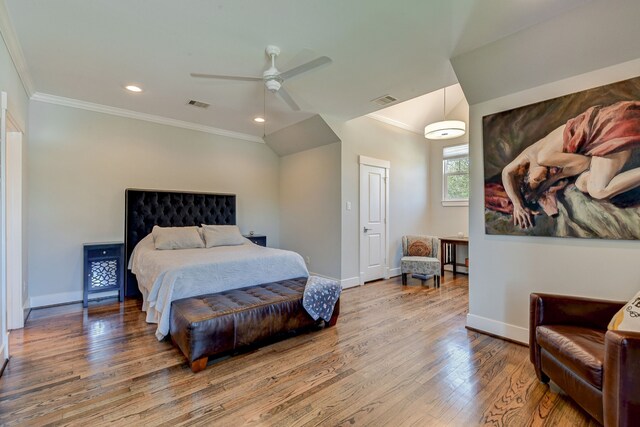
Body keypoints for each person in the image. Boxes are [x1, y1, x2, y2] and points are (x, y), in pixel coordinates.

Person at [501, 100, 640, 229]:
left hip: (607, 129)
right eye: (543, 182)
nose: (544, 178)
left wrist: (518, 204)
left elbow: (586, 162)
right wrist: (523, 200)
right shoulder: (529, 155)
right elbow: (507, 172)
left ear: (526, 172)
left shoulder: (542, 158)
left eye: (536, 180)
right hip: (600, 136)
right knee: (581, 184)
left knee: (598, 191)